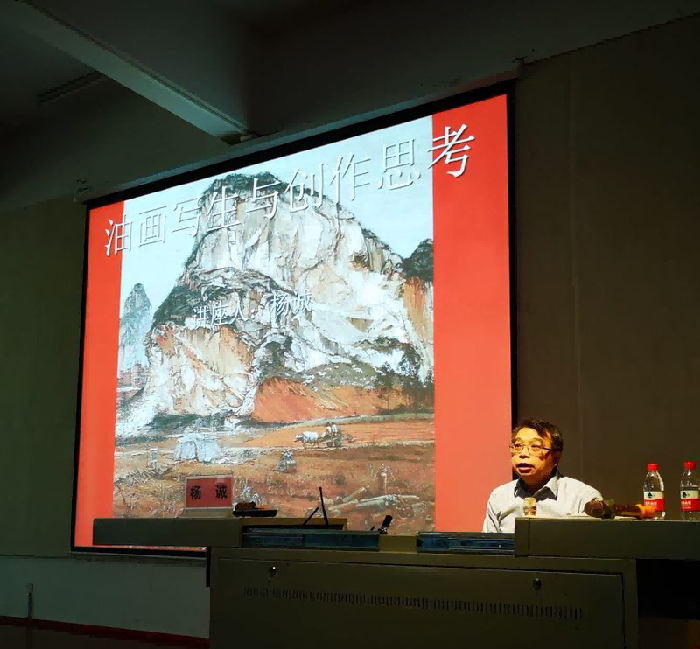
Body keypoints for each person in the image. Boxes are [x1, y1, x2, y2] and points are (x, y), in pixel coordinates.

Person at [482, 419, 602, 533]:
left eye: (535, 447)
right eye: (517, 446)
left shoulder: (582, 497)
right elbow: (488, 545)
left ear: (556, 457)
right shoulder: (499, 497)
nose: (523, 454)